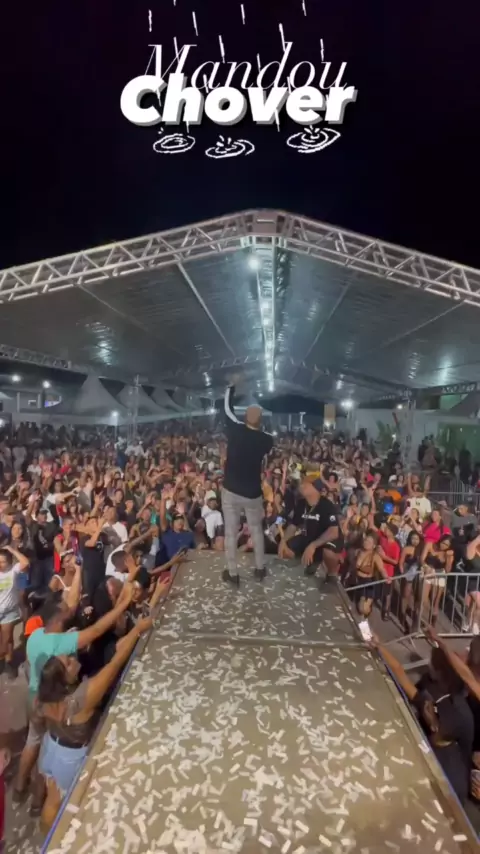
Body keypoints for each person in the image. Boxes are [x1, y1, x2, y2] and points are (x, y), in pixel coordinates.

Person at [31, 615, 153, 830]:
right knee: (56, 801)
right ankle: (51, 839)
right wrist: (137, 630)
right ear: (64, 680)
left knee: (50, 790)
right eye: (69, 663)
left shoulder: (45, 696)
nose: (72, 659)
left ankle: (37, 811)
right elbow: (115, 664)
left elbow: (37, 718)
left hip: (50, 747)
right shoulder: (80, 698)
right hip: (69, 758)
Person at [221, 384, 273, 585]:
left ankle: (233, 573)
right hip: (252, 493)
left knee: (231, 532)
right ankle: (259, 568)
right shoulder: (266, 440)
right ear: (261, 422)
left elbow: (227, 409)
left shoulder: (235, 430)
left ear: (244, 418)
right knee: (256, 529)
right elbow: (264, 439)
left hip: (231, 490)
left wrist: (231, 388)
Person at [278, 479, 343, 581]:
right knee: (286, 548)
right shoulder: (301, 504)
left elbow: (334, 532)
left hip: (327, 539)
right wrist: (283, 541)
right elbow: (293, 526)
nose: (302, 486)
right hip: (310, 536)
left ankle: (332, 575)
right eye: (302, 484)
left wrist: (313, 545)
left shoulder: (327, 505)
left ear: (316, 489)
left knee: (327, 552)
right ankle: (304, 565)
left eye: (306, 484)